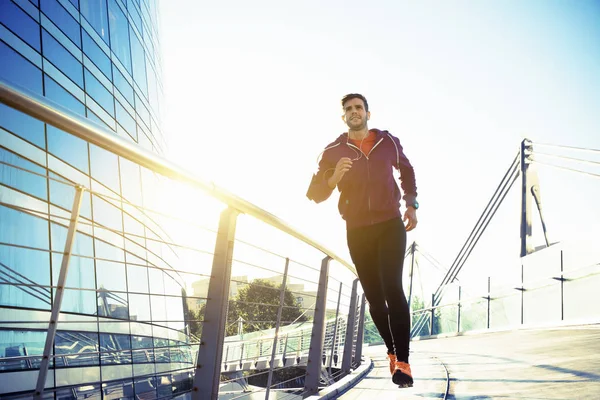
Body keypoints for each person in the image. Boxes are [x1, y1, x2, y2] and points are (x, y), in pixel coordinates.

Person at [306, 93, 418, 388]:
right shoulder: (331, 151)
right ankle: (391, 351)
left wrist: (410, 204)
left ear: (369, 113)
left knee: (393, 289)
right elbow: (314, 194)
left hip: (390, 224)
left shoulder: (387, 142)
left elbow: (406, 171)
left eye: (358, 107)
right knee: (375, 299)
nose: (354, 112)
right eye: (348, 109)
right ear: (343, 117)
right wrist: (332, 179)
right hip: (357, 230)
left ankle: (404, 363)